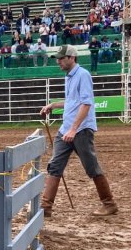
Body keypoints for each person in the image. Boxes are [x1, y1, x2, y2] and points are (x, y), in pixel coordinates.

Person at [39, 44, 118, 217]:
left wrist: (74, 129)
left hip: (80, 130)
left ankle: (109, 203)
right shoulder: (69, 77)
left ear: (72, 58)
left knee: (91, 167)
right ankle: (45, 207)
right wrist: (53, 105)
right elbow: (72, 101)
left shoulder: (83, 75)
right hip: (66, 129)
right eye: (58, 58)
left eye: (61, 58)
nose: (58, 61)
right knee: (55, 166)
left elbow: (86, 103)